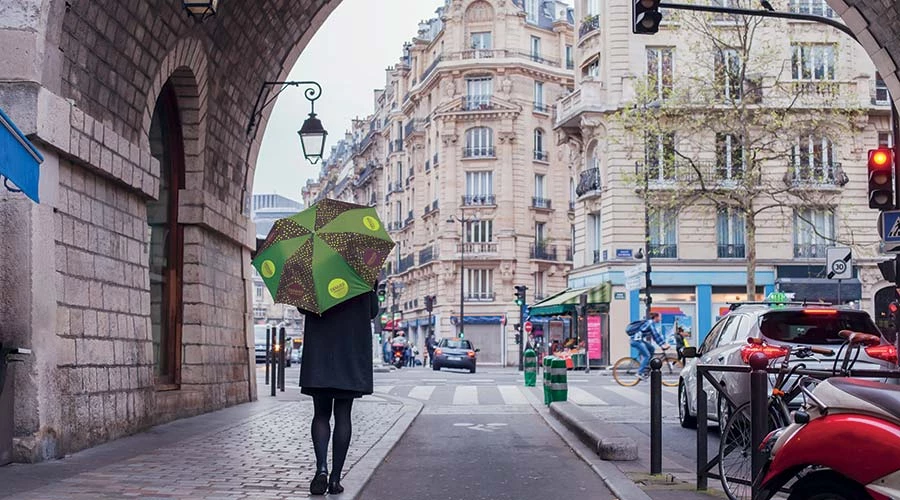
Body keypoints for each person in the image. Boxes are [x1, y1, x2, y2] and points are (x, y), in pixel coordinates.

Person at [299, 282, 379, 495]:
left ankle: (321, 468)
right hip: (349, 353)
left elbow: (302, 307)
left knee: (321, 414)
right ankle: (335, 479)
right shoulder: (361, 272)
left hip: (321, 351)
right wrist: (373, 287)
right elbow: (372, 311)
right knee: (343, 415)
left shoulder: (315, 269)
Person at [631, 312, 670, 378]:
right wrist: (662, 345)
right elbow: (655, 335)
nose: (660, 319)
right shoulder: (650, 323)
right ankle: (639, 372)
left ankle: (645, 367)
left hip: (639, 340)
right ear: (656, 317)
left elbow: (656, 336)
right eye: (660, 317)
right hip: (636, 341)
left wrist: (662, 344)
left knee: (652, 349)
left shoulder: (650, 323)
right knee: (647, 355)